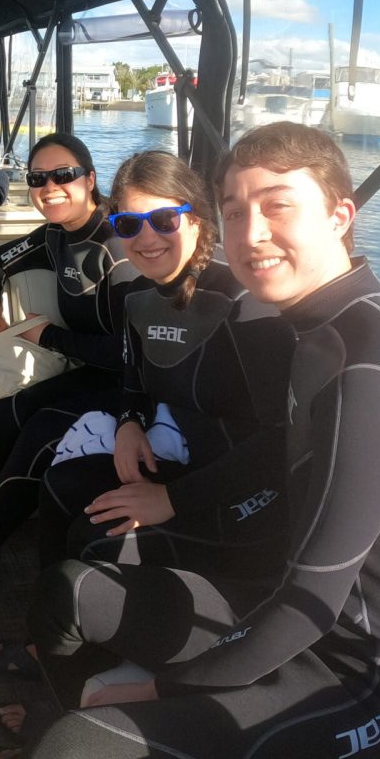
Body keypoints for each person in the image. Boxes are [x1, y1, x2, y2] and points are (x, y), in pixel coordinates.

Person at [0, 123, 380, 759]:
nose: (251, 233)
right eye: (237, 210)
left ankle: (81, 727)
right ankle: (71, 708)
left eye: (278, 205)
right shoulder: (319, 330)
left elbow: (312, 605)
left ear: (340, 215)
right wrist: (132, 421)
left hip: (356, 673)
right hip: (269, 597)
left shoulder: (368, 364)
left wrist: (157, 692)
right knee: (67, 589)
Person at [36, 149, 292, 575]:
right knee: (59, 487)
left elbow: (280, 439)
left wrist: (172, 499)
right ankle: (43, 634)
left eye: (164, 220)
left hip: (241, 486)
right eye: (129, 224)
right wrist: (129, 424)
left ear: (195, 219)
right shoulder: (138, 298)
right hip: (177, 460)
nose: (147, 237)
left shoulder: (245, 305)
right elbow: (134, 384)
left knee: (94, 537)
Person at [0, 132, 140, 609]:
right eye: (39, 178)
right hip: (91, 368)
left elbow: (129, 352)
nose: (50, 187)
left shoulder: (118, 243)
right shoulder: (55, 235)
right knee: (4, 414)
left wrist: (47, 338)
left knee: (38, 430)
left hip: (133, 384)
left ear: (90, 180)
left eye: (64, 175)